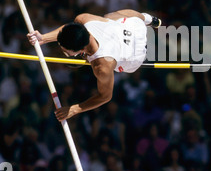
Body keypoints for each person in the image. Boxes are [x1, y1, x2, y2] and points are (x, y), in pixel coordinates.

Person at [27, 9, 161, 121]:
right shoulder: (84, 19)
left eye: (65, 50)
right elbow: (69, 29)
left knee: (112, 19)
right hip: (133, 25)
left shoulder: (102, 66)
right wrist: (43, 38)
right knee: (110, 17)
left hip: (134, 55)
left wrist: (75, 109)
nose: (61, 48)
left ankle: (146, 20)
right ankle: (147, 19)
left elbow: (105, 96)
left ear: (79, 50)